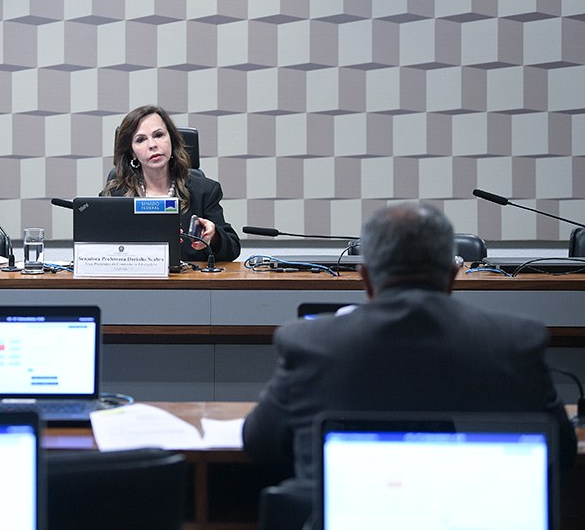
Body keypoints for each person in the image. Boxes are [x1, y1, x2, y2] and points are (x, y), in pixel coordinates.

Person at [242, 202, 577, 524]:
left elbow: (261, 442)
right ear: (451, 275)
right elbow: (561, 451)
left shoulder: (310, 342)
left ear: (366, 278)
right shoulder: (516, 340)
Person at [101, 105, 241, 263]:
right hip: (133, 284)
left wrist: (214, 236)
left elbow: (233, 250)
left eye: (159, 135)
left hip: (189, 284)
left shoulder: (204, 191)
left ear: (172, 140)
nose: (152, 145)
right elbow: (96, 248)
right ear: (132, 152)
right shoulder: (114, 195)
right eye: (141, 140)